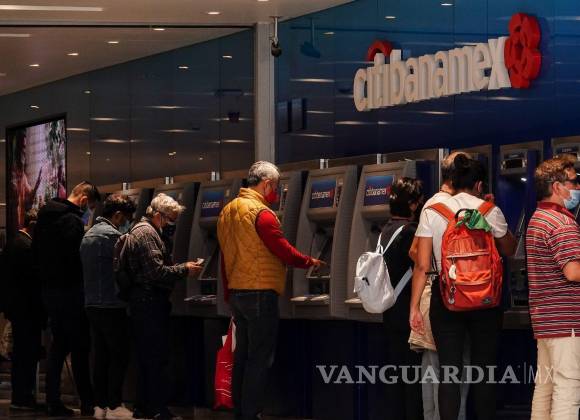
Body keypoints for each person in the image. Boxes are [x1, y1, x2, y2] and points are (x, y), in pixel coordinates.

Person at [410, 155, 516, 420]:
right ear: (479, 185)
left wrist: (414, 308)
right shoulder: (489, 211)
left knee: (449, 373)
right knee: (484, 371)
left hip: (446, 297)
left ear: (452, 181)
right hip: (486, 301)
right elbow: (509, 249)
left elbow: (422, 265)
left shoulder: (432, 211)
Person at [217, 161, 323, 420]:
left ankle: (241, 412)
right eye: (275, 187)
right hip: (260, 292)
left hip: (238, 292)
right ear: (266, 185)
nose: (276, 192)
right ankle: (251, 413)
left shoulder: (227, 211)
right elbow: (281, 248)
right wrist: (309, 261)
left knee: (242, 357)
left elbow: (224, 258)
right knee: (259, 359)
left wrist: (228, 293)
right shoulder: (261, 214)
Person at [124, 193, 202, 420]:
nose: (172, 225)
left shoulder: (144, 230)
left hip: (144, 302)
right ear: (158, 215)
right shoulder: (147, 234)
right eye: (170, 220)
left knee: (147, 358)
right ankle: (157, 409)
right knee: (155, 358)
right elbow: (156, 272)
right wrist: (185, 269)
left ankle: (143, 407)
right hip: (149, 303)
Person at [408, 152, 471, 420]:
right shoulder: (462, 206)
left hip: (432, 290)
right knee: (454, 371)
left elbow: (415, 253)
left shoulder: (431, 205)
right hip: (452, 293)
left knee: (431, 367)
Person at [33, 181, 101, 416]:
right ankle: (87, 401)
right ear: (84, 200)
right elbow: (76, 259)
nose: (88, 211)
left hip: (49, 291)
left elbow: (36, 255)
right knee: (80, 347)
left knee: (58, 347)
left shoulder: (44, 216)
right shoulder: (72, 221)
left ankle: (52, 400)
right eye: (89, 207)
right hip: (71, 291)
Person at [526, 156, 580, 420]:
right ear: (557, 186)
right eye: (573, 182)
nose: (577, 187)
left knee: (545, 388)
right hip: (565, 321)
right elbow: (573, 271)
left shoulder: (537, 218)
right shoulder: (562, 223)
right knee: (567, 390)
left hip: (545, 321)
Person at [80, 195, 137, 420]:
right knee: (119, 355)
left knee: (101, 356)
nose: (126, 223)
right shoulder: (115, 237)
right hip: (113, 304)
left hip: (91, 303)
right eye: (126, 219)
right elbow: (125, 270)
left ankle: (100, 405)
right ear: (118, 215)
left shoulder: (87, 235)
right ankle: (114, 405)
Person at [380, 177, 424, 420]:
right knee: (412, 377)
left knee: (396, 373)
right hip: (408, 311)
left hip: (390, 309)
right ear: (413, 205)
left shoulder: (386, 229)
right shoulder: (410, 232)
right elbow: (422, 266)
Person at [3, 209, 46, 411]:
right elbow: (32, 283)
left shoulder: (13, 242)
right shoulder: (26, 246)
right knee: (26, 355)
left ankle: (21, 396)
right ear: (34, 225)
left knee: (21, 354)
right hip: (27, 310)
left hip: (17, 309)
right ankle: (23, 397)